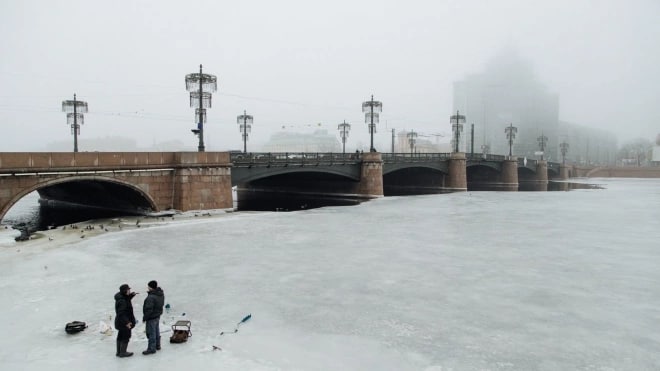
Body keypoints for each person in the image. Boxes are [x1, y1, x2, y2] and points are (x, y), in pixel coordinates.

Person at [114, 283, 137, 358]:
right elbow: (121, 313)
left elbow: (126, 299)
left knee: (120, 336)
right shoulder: (122, 301)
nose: (129, 290)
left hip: (120, 322)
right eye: (128, 290)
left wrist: (131, 296)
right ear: (124, 291)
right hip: (124, 322)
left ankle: (119, 352)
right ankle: (123, 352)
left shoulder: (122, 297)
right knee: (126, 336)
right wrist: (127, 322)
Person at [142, 280, 165, 355]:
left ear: (151, 287)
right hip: (157, 316)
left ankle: (151, 348)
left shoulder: (151, 297)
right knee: (156, 331)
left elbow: (148, 309)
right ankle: (157, 345)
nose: (147, 288)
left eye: (148, 286)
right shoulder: (160, 294)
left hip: (151, 317)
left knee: (151, 333)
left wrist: (145, 318)